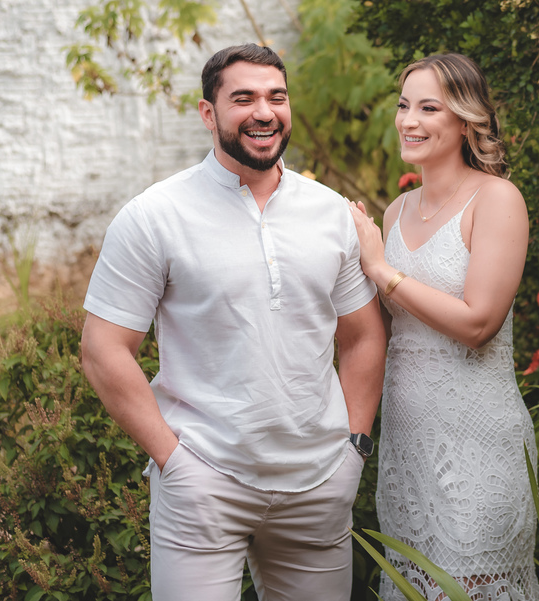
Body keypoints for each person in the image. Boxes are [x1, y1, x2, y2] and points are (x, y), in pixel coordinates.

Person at [81, 43, 386, 601]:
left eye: (277, 97)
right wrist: (174, 463)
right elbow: (103, 349)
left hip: (319, 486)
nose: (264, 112)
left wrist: (354, 450)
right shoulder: (155, 216)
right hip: (205, 481)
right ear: (208, 113)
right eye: (242, 98)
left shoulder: (330, 213)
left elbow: (363, 336)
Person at [349, 53, 539, 601]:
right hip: (408, 444)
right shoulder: (396, 211)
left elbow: (479, 321)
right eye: (404, 105)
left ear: (466, 120)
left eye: (429, 107)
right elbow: (386, 326)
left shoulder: (497, 199)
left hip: (478, 440)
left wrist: (381, 270)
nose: (409, 120)